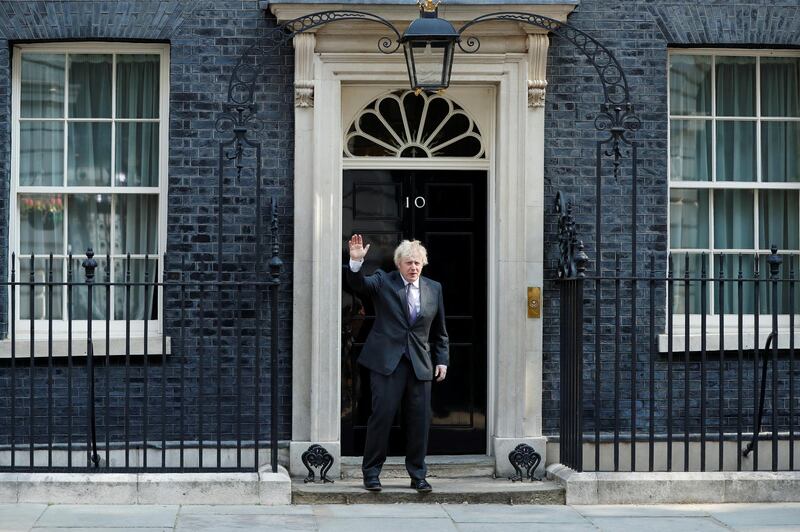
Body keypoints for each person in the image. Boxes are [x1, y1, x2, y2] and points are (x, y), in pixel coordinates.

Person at [346, 234, 449, 493]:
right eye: (408, 263)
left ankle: (418, 475)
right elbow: (359, 285)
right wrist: (356, 262)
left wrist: (442, 360)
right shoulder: (384, 280)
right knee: (381, 417)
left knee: (419, 421)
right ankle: (371, 473)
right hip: (386, 363)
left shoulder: (433, 288)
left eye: (417, 263)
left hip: (420, 363)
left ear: (423, 264)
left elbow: (440, 331)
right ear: (399, 264)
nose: (413, 267)